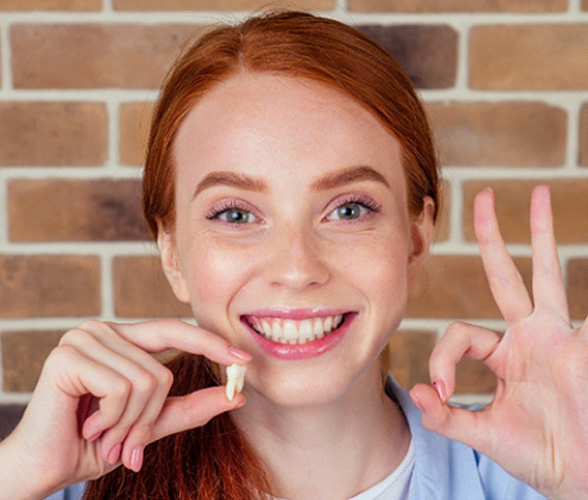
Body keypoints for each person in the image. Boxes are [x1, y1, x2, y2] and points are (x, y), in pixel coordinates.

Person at [1, 10, 586, 500]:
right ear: (172, 252)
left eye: (349, 209)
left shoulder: (541, 477)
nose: (297, 268)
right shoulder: (62, 483)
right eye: (235, 215)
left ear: (416, 236)